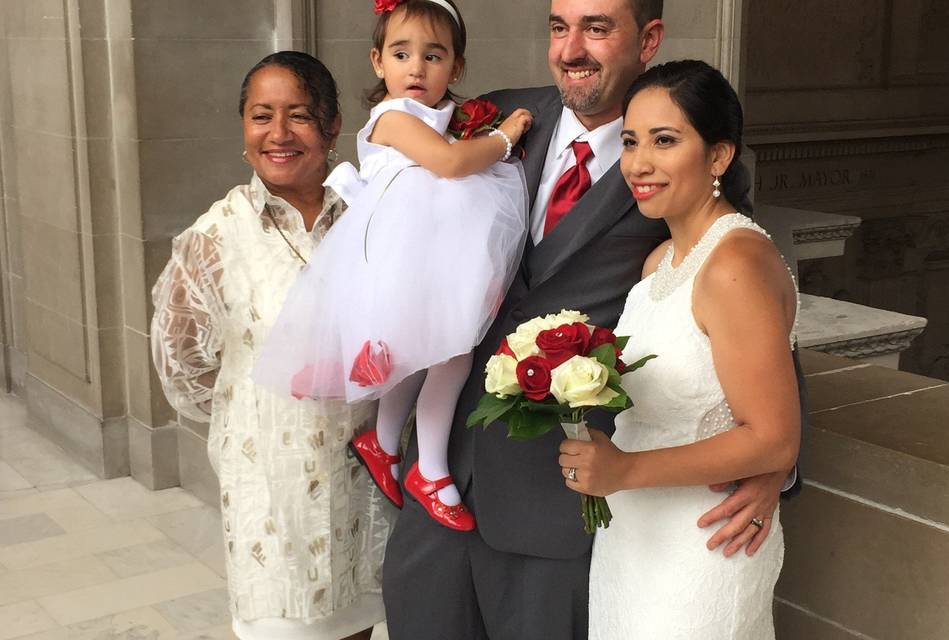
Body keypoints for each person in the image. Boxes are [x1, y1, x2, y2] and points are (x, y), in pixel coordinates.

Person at [382, 1, 805, 638]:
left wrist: (775, 465)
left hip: (561, 503)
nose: (571, 49)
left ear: (649, 38)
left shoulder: (681, 167)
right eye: (559, 27)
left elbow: (753, 293)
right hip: (440, 480)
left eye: (598, 27)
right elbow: (395, 163)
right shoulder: (495, 119)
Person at [253, 0, 532, 532]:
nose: (417, 68)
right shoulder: (394, 116)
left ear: (457, 66)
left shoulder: (440, 117)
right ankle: (431, 470)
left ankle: (382, 443)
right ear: (378, 62)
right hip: (401, 263)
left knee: (423, 357)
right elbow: (450, 164)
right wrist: (504, 137)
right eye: (402, 54)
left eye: (433, 55)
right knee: (450, 358)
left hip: (429, 261)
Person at [150, 52, 393, 640]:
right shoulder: (216, 237)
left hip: (364, 486)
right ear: (243, 126)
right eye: (262, 116)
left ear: (333, 127)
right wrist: (260, 415)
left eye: (300, 116)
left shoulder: (371, 216)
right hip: (273, 497)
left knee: (362, 621)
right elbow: (182, 369)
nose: (278, 134)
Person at [559, 59, 799, 639]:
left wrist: (623, 468)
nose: (639, 164)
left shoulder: (735, 263)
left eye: (665, 141)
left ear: (719, 156)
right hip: (634, 539)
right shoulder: (658, 263)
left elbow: (773, 436)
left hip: (703, 544)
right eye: (631, 141)